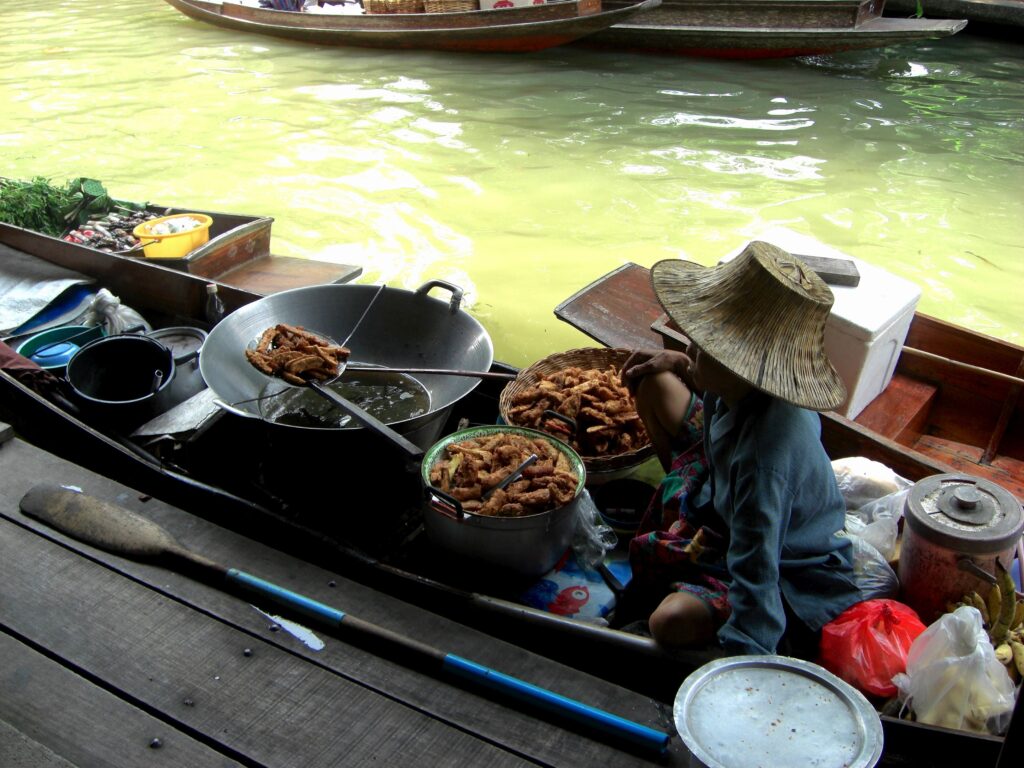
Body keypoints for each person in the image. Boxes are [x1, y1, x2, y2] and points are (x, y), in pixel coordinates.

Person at [618, 240, 861, 658]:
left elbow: (757, 581)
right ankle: (692, 518)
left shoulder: (762, 465)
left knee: (668, 621)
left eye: (703, 348)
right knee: (654, 383)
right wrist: (679, 364)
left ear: (740, 367)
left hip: (786, 568)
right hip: (722, 489)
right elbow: (699, 379)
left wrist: (741, 664)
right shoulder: (739, 388)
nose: (691, 348)